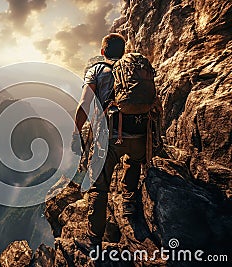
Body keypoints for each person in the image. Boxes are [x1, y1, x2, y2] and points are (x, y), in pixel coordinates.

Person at [72, 33, 148, 249]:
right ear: (123, 51)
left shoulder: (96, 70)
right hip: (141, 135)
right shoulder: (136, 70)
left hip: (111, 139)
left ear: (103, 51)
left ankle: (94, 238)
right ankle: (129, 203)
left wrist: (76, 132)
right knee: (132, 162)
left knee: (98, 186)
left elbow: (84, 105)